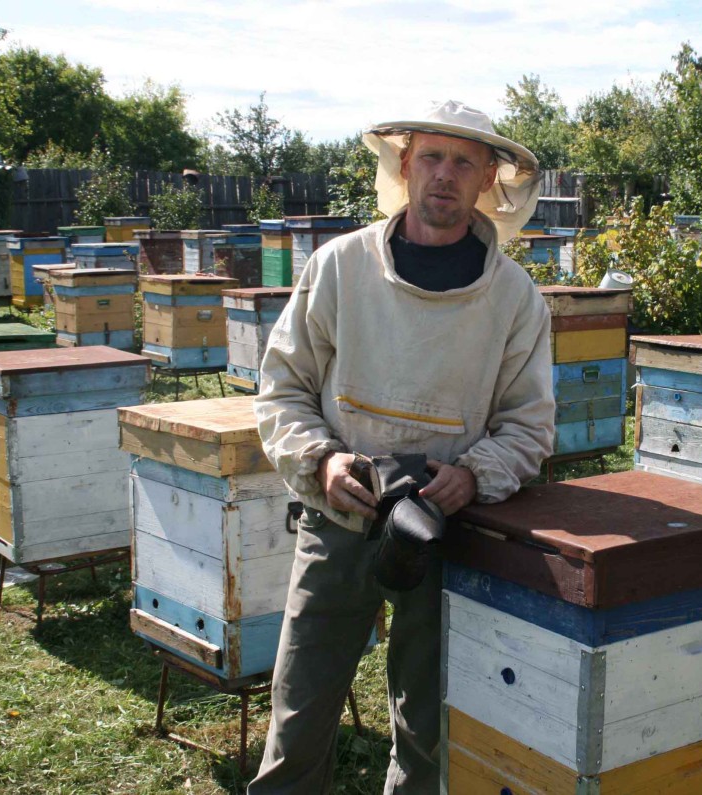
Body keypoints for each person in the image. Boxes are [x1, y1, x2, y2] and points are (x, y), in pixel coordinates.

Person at [250, 100, 556, 794]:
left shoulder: (514, 299)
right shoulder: (338, 268)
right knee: (297, 718)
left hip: (444, 532)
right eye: (431, 158)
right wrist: (321, 461)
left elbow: (528, 424)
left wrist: (475, 475)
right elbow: (283, 389)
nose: (444, 176)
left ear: (486, 180)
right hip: (337, 518)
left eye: (463, 162)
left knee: (428, 728)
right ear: (404, 165)